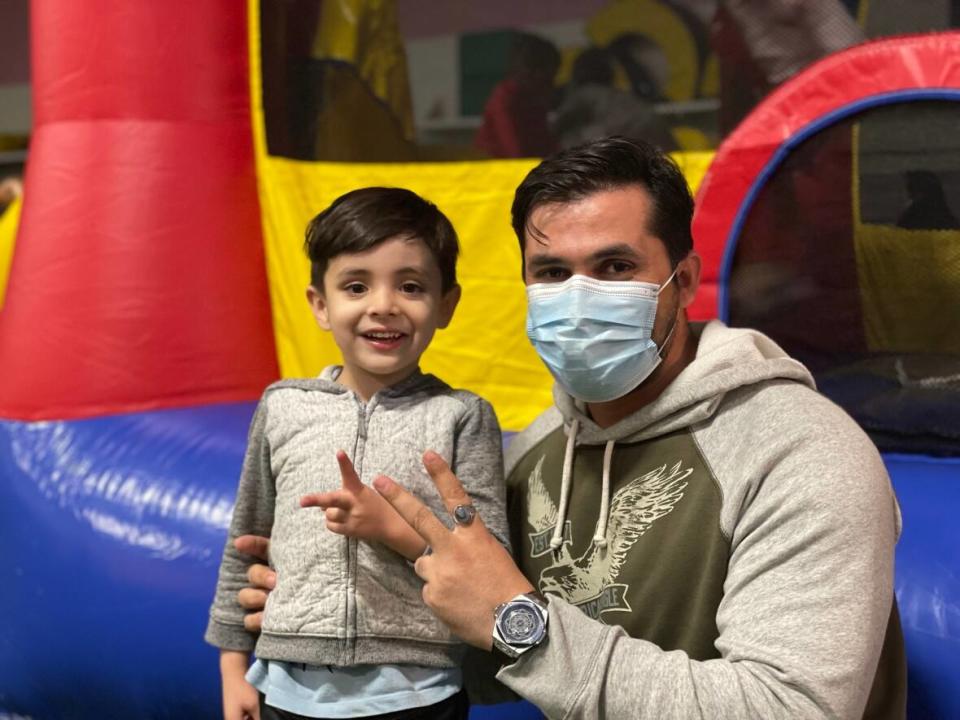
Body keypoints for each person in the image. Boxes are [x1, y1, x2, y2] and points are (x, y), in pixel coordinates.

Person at [236, 138, 907, 718]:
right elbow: (495, 661)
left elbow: (791, 710)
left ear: (685, 280)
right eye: (553, 273)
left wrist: (519, 624)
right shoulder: (535, 454)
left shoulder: (799, 451)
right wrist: (336, 605)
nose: (580, 298)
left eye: (615, 268)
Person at [205, 187, 509, 720]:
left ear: (446, 305)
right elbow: (246, 542)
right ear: (320, 305)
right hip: (287, 688)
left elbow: (490, 562)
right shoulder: (283, 407)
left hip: (418, 690)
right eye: (355, 285)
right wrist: (234, 668)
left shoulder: (462, 416)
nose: (383, 305)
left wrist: (390, 528)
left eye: (410, 286)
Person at [474, 32, 560, 159]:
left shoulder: (533, 99)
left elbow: (544, 142)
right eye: (549, 76)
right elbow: (513, 149)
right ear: (533, 72)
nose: (552, 82)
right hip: (495, 168)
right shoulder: (505, 97)